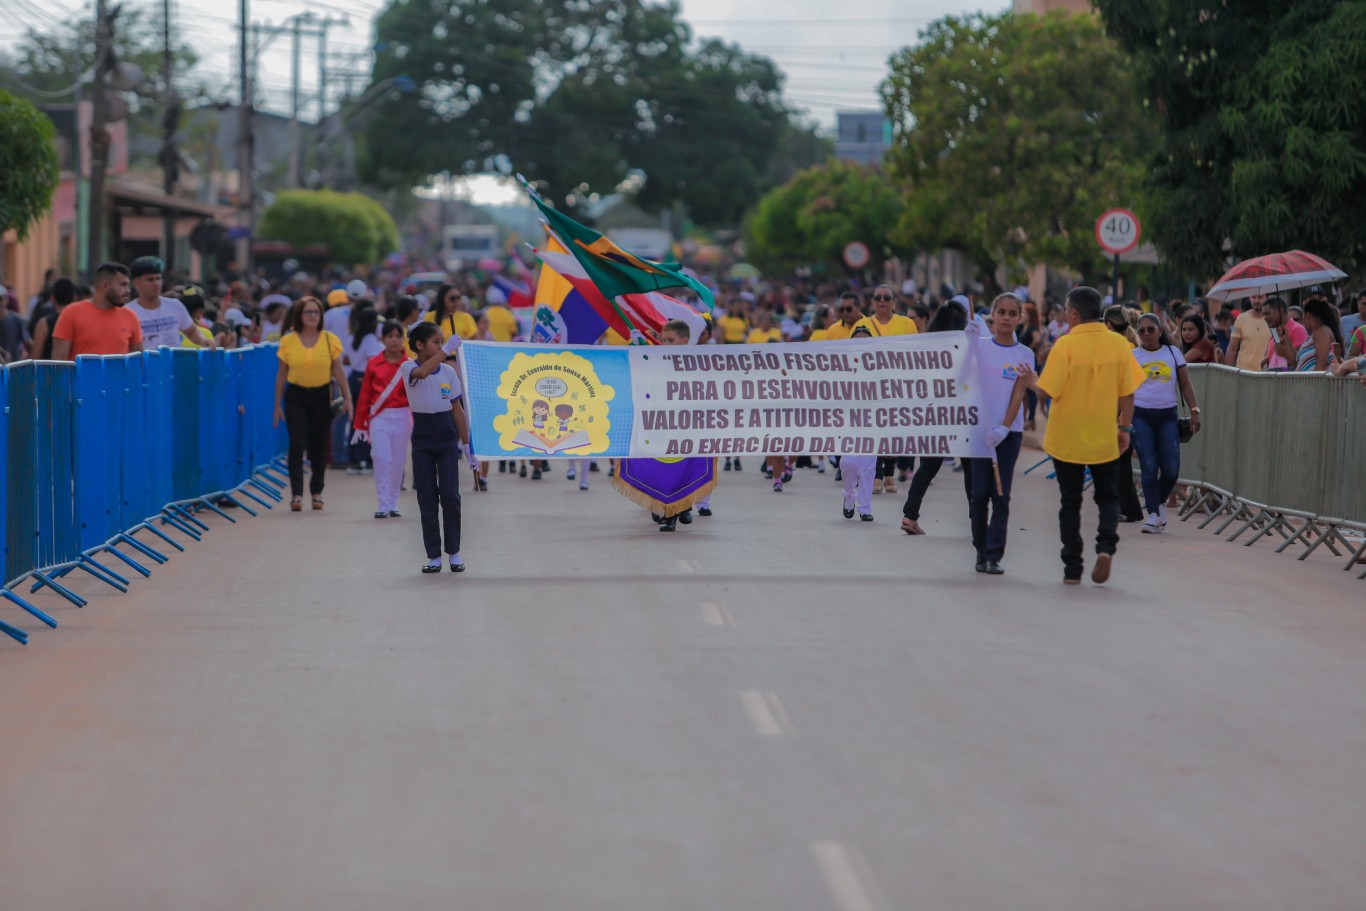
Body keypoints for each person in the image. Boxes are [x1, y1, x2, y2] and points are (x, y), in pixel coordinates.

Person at [1020, 286, 1145, 585]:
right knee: (1108, 498)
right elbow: (1128, 393)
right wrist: (1125, 428)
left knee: (1070, 501)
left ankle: (1072, 567)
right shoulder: (1119, 345)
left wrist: (1031, 380)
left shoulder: (1065, 346)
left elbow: (1049, 390)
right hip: (1105, 436)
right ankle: (1105, 546)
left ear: (1073, 314)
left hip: (1067, 439)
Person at [965, 293, 1033, 573]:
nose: (1006, 318)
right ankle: (980, 549)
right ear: (992, 315)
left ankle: (994, 555)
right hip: (978, 430)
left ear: (1020, 318)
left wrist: (1005, 426)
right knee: (979, 493)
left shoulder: (1024, 354)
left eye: (1012, 313)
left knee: (1001, 494)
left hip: (1008, 434)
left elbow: (1019, 393)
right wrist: (964, 343)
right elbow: (962, 375)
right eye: (1001, 312)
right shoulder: (978, 346)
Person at [404, 321, 476, 572]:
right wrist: (446, 350)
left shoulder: (448, 372)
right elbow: (422, 374)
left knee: (450, 495)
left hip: (445, 434)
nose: (441, 346)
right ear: (420, 345)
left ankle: (454, 552)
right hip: (423, 434)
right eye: (436, 342)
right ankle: (433, 555)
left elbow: (457, 411)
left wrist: (468, 446)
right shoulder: (408, 367)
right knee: (426, 497)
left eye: (442, 341)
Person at [272, 297, 353, 511]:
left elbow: (338, 371)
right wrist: (277, 405)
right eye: (307, 312)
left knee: (318, 445)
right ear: (299, 315)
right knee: (297, 443)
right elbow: (281, 374)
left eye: (316, 312)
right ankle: (296, 494)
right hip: (295, 396)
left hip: (321, 395)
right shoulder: (288, 340)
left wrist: (348, 399)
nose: (312, 316)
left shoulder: (329, 339)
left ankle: (317, 491)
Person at [899, 301, 972, 533]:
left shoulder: (926, 346)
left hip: (933, 414)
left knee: (928, 466)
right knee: (971, 468)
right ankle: (976, 520)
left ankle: (910, 516)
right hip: (960, 415)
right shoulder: (964, 345)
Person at [1131, 314, 1201, 534]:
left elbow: (1186, 383)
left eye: (1150, 329)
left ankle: (1159, 501)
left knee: (1171, 469)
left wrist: (1194, 411)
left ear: (1160, 331)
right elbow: (1123, 390)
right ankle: (1152, 513)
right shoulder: (1133, 356)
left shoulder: (1173, 353)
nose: (1145, 334)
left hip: (1167, 415)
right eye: (1141, 330)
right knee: (1149, 465)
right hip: (1140, 415)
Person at [352, 319, 412, 519]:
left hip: (403, 415)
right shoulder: (373, 363)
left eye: (398, 336)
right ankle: (383, 503)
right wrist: (360, 424)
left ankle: (393, 502)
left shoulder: (409, 364)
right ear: (383, 339)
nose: (394, 340)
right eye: (390, 336)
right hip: (380, 417)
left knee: (398, 461)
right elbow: (364, 396)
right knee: (381, 458)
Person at [51, 262, 141, 359]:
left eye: (128, 285)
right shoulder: (71, 313)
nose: (128, 290)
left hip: (120, 374)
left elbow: (139, 361)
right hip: (82, 374)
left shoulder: (130, 316)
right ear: (106, 286)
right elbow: (59, 363)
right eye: (123, 285)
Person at [126, 256, 216, 351]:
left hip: (174, 364)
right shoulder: (128, 312)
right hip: (146, 364)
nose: (156, 283)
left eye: (158, 278)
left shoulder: (175, 305)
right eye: (150, 280)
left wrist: (203, 340)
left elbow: (191, 331)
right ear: (136, 283)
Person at [344, 307, 384, 473]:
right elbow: (372, 362)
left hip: (353, 377)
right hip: (365, 379)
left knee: (354, 420)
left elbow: (346, 359)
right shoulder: (371, 339)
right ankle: (366, 460)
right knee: (367, 421)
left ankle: (353, 460)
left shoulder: (352, 338)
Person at [30, 277, 76, 360]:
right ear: (74, 298)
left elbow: (35, 356)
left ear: (52, 298)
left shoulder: (44, 323)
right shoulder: (78, 322)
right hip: (74, 370)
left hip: (48, 371)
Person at [1224, 293, 1271, 370]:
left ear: (1267, 298)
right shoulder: (1241, 319)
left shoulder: (1274, 319)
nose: (1256, 300)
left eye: (1260, 297)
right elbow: (1232, 348)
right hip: (1243, 372)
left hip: (1266, 373)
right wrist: (1228, 373)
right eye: (1253, 297)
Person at [1262, 296, 1309, 371]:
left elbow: (1301, 364)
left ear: (1280, 311)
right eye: (1263, 314)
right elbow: (1265, 359)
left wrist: (1285, 352)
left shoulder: (1297, 330)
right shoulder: (1275, 332)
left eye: (1267, 313)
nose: (1264, 318)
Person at [1296, 299, 1341, 372]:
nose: (1302, 320)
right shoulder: (1314, 335)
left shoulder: (1322, 331)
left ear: (1308, 315)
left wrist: (1315, 380)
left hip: (1316, 381)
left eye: (1303, 316)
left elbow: (1322, 361)